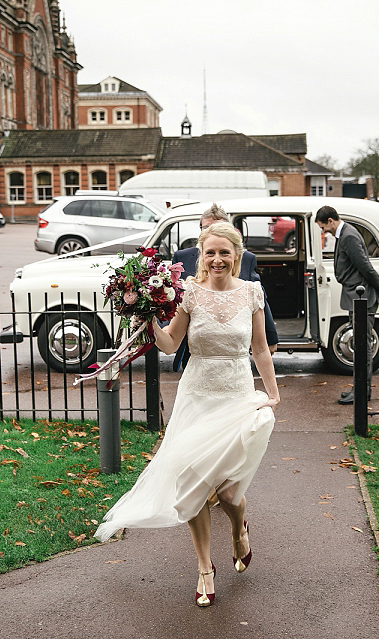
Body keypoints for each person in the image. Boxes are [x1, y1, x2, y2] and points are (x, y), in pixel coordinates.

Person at [94, 221, 280, 609]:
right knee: (194, 484)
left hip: (236, 395)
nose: (216, 259)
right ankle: (204, 569)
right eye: (209, 252)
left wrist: (273, 393)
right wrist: (147, 319)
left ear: (237, 255)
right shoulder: (189, 294)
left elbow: (261, 349)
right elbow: (169, 344)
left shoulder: (252, 293)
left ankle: (239, 529)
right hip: (197, 396)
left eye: (224, 252)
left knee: (229, 492)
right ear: (201, 255)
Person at [171, 203, 278, 371]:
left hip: (231, 341)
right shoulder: (182, 257)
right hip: (195, 340)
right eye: (205, 228)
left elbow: (259, 299)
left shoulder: (246, 258)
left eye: (218, 228)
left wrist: (270, 336)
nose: (211, 233)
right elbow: (175, 298)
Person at [314, 205, 379, 405]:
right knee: (360, 344)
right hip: (355, 295)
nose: (324, 232)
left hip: (362, 297)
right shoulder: (345, 234)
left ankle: (362, 392)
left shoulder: (348, 236)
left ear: (331, 220)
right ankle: (359, 389)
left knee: (362, 346)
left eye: (324, 227)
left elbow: (364, 265)